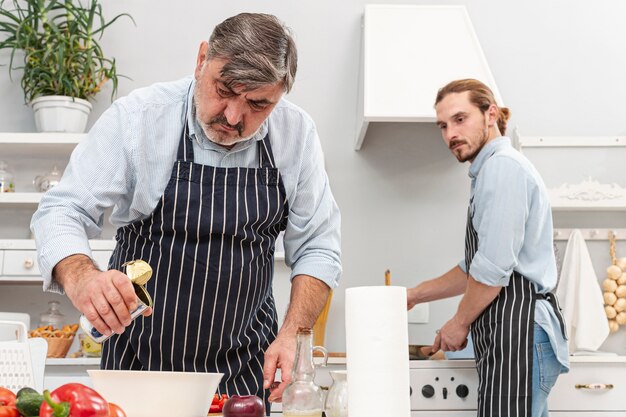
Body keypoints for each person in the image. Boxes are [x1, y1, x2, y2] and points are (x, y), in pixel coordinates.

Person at [31, 12, 341, 409]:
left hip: (244, 371)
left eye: (258, 104)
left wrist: (294, 335)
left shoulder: (296, 134)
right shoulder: (139, 118)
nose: (233, 117)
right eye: (224, 90)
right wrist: (82, 277)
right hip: (137, 365)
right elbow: (61, 209)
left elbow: (318, 244)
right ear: (201, 60)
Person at [406, 79, 568, 417]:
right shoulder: (492, 170)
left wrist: (458, 323)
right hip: (515, 334)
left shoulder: (503, 168)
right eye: (443, 125)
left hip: (520, 333)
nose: (450, 133)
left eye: (460, 119)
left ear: (490, 114)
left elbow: (493, 269)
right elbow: (475, 268)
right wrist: (415, 295)